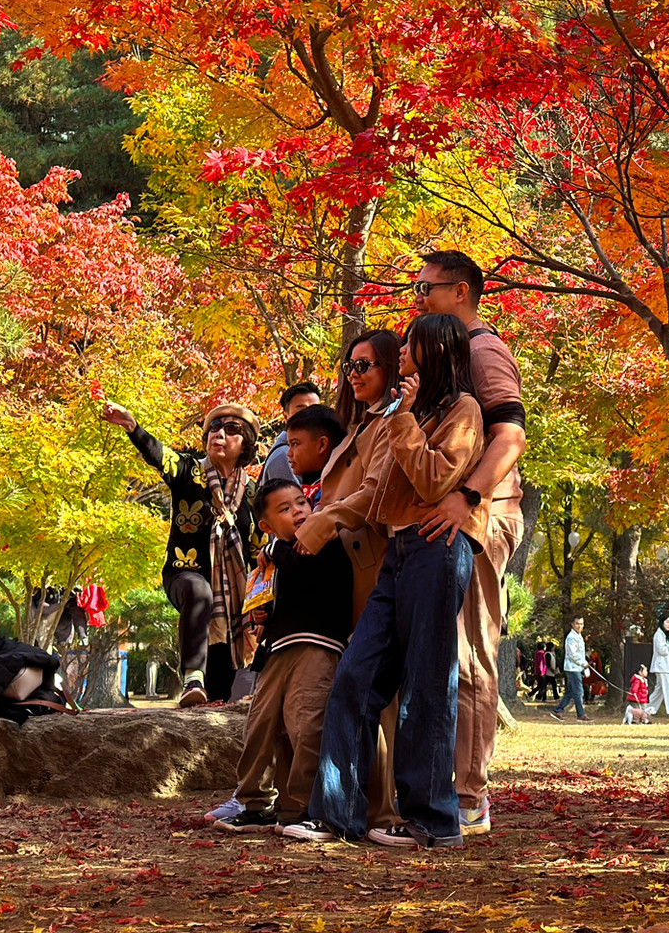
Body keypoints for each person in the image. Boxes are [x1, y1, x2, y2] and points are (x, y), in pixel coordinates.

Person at [283, 313, 482, 849]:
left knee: (426, 684)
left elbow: (434, 477)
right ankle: (336, 814)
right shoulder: (404, 410)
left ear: (436, 353)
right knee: (356, 675)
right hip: (398, 550)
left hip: (437, 550)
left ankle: (435, 822)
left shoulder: (462, 411)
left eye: (413, 347)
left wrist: (405, 420)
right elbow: (381, 492)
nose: (405, 356)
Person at [407, 251, 527, 836]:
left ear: (461, 292)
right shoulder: (443, 356)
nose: (417, 296)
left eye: (425, 286)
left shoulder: (483, 349)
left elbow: (510, 435)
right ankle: (432, 787)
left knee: (468, 652)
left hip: (483, 517)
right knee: (434, 654)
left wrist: (469, 498)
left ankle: (468, 795)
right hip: (442, 521)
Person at [213, 476, 355, 834]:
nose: (298, 511)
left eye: (301, 503)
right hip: (277, 650)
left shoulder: (324, 541)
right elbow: (285, 594)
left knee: (305, 724)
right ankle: (255, 803)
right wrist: (265, 613)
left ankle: (305, 807)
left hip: (318, 646)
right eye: (285, 509)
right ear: (266, 525)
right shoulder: (275, 560)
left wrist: (275, 550)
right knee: (262, 726)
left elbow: (311, 577)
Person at [102, 399, 261, 706]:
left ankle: (205, 704)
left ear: (246, 445)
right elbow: (160, 455)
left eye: (232, 430)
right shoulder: (188, 472)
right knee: (200, 591)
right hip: (183, 574)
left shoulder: (254, 493)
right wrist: (132, 427)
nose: (219, 434)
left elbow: (257, 550)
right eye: (214, 428)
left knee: (217, 693)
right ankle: (191, 678)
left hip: (233, 601)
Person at [260, 380, 330, 490]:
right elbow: (292, 503)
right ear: (286, 416)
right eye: (301, 410)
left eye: (314, 409)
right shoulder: (284, 456)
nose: (309, 416)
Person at [550, 616, 589, 721]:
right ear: (572, 624)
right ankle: (581, 714)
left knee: (571, 692)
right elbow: (572, 654)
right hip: (572, 668)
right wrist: (584, 663)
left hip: (577, 667)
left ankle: (558, 711)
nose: (579, 626)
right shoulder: (571, 637)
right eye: (577, 623)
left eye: (581, 624)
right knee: (579, 691)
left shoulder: (579, 636)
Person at [649, 615, 669, 719]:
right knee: (668, 688)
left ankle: (646, 709)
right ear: (662, 622)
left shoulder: (665, 635)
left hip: (666, 666)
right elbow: (661, 651)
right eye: (667, 622)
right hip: (661, 666)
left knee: (659, 690)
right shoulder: (658, 635)